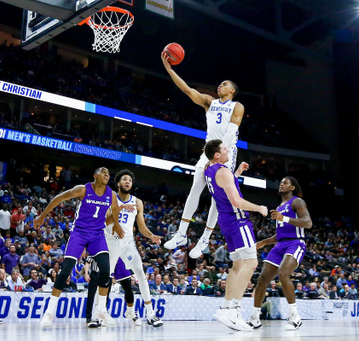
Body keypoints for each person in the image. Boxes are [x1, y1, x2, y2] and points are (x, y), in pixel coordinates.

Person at [161, 54, 245, 260]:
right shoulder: (209, 102)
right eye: (219, 84)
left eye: (224, 84)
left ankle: (205, 239)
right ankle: (181, 233)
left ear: (232, 90)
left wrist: (219, 156)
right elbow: (187, 90)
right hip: (207, 152)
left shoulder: (237, 106)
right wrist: (170, 69)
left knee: (217, 199)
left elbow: (231, 133)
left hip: (226, 153)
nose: (220, 86)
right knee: (195, 189)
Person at [35, 167, 128, 328]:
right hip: (79, 232)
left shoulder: (111, 194)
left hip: (97, 235)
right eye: (103, 171)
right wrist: (42, 216)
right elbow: (59, 198)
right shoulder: (83, 189)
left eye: (108, 172)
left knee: (106, 270)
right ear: (95, 176)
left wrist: (116, 224)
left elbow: (116, 210)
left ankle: (101, 310)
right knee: (65, 271)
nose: (107, 174)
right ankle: (49, 312)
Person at [203, 139, 268, 331]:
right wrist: (260, 208)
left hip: (225, 222)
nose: (228, 150)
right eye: (224, 149)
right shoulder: (223, 171)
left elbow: (224, 183)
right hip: (238, 220)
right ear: (217, 154)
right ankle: (235, 311)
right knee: (251, 263)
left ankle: (225, 307)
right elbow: (236, 201)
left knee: (237, 265)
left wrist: (237, 172)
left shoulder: (209, 169)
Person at [250, 177, 312, 331]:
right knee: (262, 279)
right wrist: (264, 242)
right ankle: (255, 319)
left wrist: (283, 217)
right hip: (280, 245)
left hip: (295, 243)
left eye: (285, 182)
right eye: (280, 182)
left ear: (292, 188)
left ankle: (295, 317)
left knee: (284, 274)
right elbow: (281, 234)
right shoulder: (279, 207)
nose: (281, 184)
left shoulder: (297, 202)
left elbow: (308, 223)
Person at [104, 169, 163, 327]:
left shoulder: (137, 202)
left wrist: (151, 236)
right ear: (118, 183)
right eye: (124, 179)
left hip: (128, 243)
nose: (127, 181)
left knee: (141, 275)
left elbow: (141, 226)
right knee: (105, 278)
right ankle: (100, 313)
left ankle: (150, 313)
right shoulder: (111, 198)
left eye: (129, 180)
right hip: (111, 241)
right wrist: (117, 214)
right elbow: (104, 222)